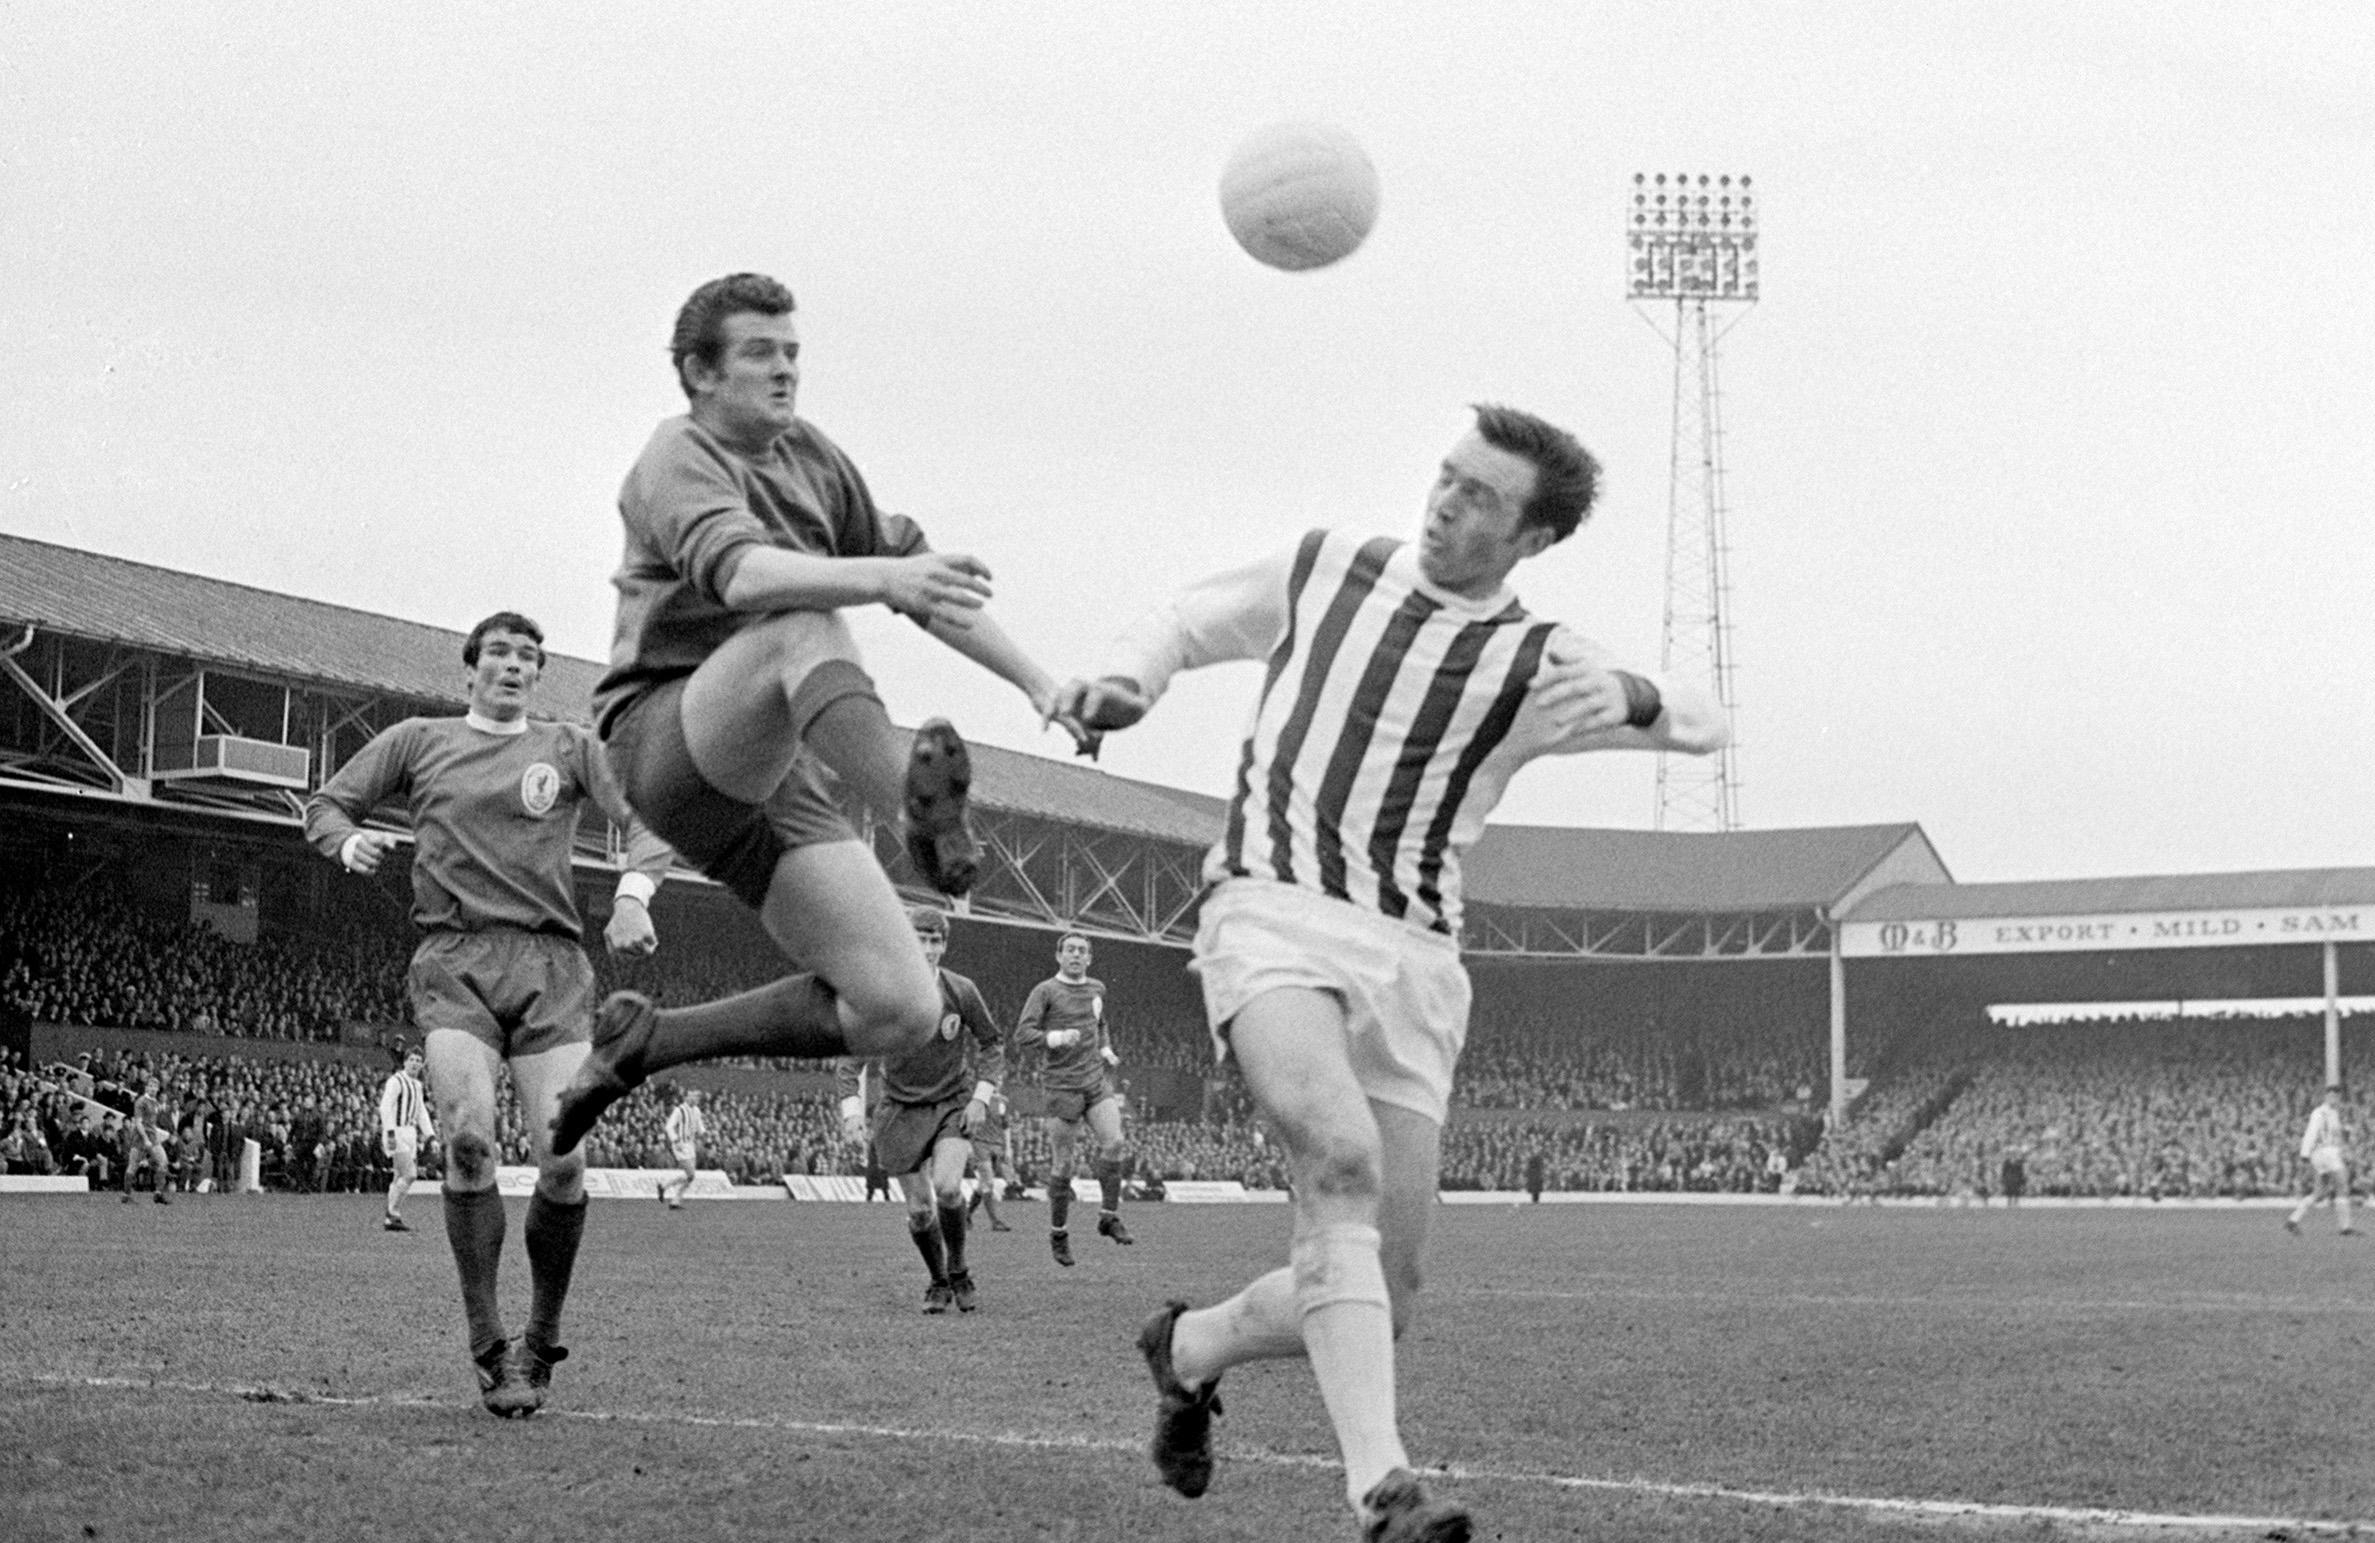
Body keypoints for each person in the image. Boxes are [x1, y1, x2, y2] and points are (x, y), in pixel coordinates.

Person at [1056, 403, 1727, 1540]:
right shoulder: (1329, 569)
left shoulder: (1532, 659)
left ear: (1529, 539)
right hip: (1267, 913)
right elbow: (1183, 617)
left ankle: (1188, 1346)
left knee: (1382, 1288)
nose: (1443, 502)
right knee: (1337, 1156)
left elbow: (1705, 724)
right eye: (1444, 477)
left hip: (1414, 959)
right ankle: (1381, 1488)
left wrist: (1633, 697)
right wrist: (1127, 677)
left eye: (1478, 498)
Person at [548, 272, 1090, 1158]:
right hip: (661, 738)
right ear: (699, 372)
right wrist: (879, 578)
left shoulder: (813, 460)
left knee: (902, 1006)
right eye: (759, 352)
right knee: (801, 622)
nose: (784, 369)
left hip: (769, 772)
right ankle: (909, 807)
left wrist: (1040, 685)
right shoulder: (676, 456)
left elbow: (925, 580)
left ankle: (652, 1041)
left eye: (792, 351)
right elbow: (745, 575)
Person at [304, 609, 673, 1419]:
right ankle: (488, 1345)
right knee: (469, 1141)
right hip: (454, 960)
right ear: (469, 668)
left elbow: (645, 822)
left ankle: (540, 1340)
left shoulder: (568, 748)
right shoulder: (417, 739)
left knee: (564, 1158)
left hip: (550, 965)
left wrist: (634, 894)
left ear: (538, 676)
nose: (514, 666)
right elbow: (327, 804)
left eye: (529, 657)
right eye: (500, 654)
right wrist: (344, 842)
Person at [835, 905, 1008, 1313]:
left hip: (952, 1102)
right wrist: (852, 1112)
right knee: (918, 1211)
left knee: (948, 1188)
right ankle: (937, 1281)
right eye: (920, 939)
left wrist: (981, 1097)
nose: (928, 948)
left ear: (944, 946)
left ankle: (960, 1270)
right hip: (899, 1108)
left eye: (935, 941)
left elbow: (992, 1043)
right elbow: (850, 1058)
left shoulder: (961, 990)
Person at [1015, 933, 1134, 1265]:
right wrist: (1054, 1038)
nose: (1076, 955)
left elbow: (1101, 1022)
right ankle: (1059, 1235)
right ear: (1059, 955)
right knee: (1064, 1163)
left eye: (1082, 951)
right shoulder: (1045, 991)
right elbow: (1023, 1034)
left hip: (1095, 1081)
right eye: (1070, 950)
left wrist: (1106, 1048)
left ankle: (1108, 1216)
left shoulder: (1097, 988)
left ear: (1090, 958)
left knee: (1114, 1143)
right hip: (1061, 1085)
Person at [379, 1045, 436, 1229]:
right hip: (395, 1131)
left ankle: (390, 1220)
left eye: (418, 1061)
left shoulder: (417, 1085)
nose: (415, 1063)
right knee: (410, 1174)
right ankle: (392, 1212)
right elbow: (385, 1107)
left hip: (410, 1134)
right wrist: (389, 1134)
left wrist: (430, 1136)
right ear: (405, 1062)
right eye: (411, 1059)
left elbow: (421, 1112)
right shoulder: (396, 1081)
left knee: (398, 1177)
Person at [2285, 1084, 2354, 1236]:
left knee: (2319, 1192)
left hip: (2325, 1154)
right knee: (2342, 1187)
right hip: (2325, 1153)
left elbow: (2337, 1135)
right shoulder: (2319, 1113)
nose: (2334, 1098)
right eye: (2331, 1095)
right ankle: (2345, 1228)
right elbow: (2311, 1132)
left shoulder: (2334, 1113)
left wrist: (2346, 1134)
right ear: (2326, 1097)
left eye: (2336, 1095)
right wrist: (2304, 1153)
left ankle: (2293, 1220)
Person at [966, 1087, 1017, 1232]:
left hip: (997, 1146)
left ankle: (967, 1215)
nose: (997, 1082)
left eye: (1000, 1079)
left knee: (983, 1184)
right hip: (980, 1144)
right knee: (988, 1181)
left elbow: (1006, 1126)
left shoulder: (1003, 1101)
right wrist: (969, 1144)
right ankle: (995, 1222)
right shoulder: (978, 1100)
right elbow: (969, 1123)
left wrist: (1008, 1148)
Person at [659, 1088, 706, 1209]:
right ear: (687, 1097)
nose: (696, 1099)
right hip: (680, 1145)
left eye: (698, 1097)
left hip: (690, 1144)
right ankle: (667, 1188)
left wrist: (704, 1134)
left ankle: (672, 1197)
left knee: (690, 1177)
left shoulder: (696, 1110)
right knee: (691, 1174)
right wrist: (675, 1140)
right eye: (694, 1096)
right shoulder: (679, 1110)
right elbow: (669, 1127)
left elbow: (699, 1126)